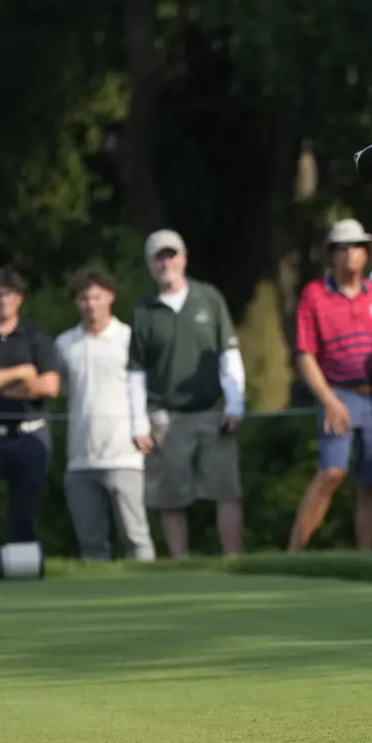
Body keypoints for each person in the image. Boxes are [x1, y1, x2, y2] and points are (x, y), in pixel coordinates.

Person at [128, 229, 246, 557]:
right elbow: (135, 372)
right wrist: (138, 423)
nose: (166, 263)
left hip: (212, 411)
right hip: (165, 415)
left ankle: (233, 562)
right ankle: (180, 565)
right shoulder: (143, 311)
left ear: (184, 258)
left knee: (226, 491)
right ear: (150, 264)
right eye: (159, 257)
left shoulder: (209, 298)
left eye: (171, 255)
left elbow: (229, 354)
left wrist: (236, 403)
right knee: (171, 497)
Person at [287, 219, 372, 552]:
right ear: (331, 255)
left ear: (367, 253)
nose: (350, 253)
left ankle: (365, 558)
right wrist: (329, 401)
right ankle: (293, 551)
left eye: (357, 246)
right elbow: (305, 355)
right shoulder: (314, 295)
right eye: (342, 247)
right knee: (332, 472)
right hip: (339, 393)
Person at [55, 267, 155, 562]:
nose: (91, 304)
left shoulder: (128, 338)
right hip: (80, 458)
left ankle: (151, 598)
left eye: (97, 297)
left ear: (110, 297)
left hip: (124, 454)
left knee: (136, 539)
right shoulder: (64, 344)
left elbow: (146, 391)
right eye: (84, 298)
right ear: (77, 303)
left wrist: (144, 428)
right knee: (91, 544)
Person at [0, 267, 60, 546]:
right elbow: (31, 378)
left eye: (7, 295)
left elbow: (49, 387)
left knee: (25, 510)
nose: (1, 301)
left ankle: (21, 564)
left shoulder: (37, 338)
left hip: (31, 434)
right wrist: (20, 372)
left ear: (19, 299)